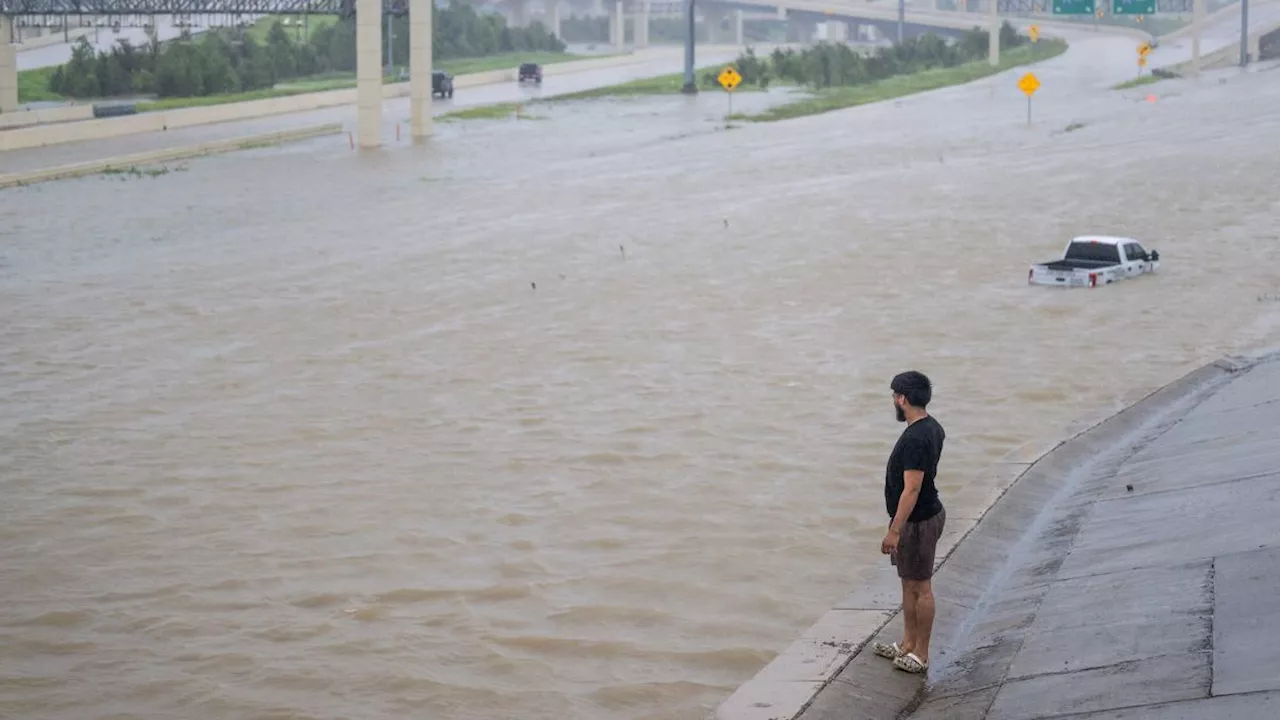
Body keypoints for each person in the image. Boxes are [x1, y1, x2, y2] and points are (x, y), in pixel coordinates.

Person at [872, 370, 946, 675]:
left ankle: (921, 654)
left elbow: (912, 488)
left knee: (921, 586)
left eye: (894, 396)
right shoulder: (932, 427)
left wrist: (895, 530)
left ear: (902, 398)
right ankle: (907, 644)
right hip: (920, 517)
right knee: (908, 582)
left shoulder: (916, 438)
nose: (893, 401)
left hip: (919, 521)